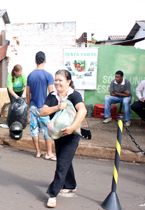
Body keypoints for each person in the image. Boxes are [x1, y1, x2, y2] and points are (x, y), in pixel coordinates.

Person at [40, 69, 87, 208]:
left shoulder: (74, 95)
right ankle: (71, 185)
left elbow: (82, 110)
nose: (57, 83)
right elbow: (43, 112)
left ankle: (53, 194)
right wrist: (58, 107)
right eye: (56, 80)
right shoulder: (52, 96)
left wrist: (73, 127)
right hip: (58, 135)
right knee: (65, 161)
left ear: (68, 82)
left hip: (72, 135)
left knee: (61, 163)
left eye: (60, 80)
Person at [26, 51, 56, 160]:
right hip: (44, 108)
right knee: (47, 131)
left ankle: (38, 152)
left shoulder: (30, 75)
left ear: (35, 61)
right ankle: (49, 153)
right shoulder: (48, 75)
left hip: (33, 107)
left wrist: (29, 107)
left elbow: (27, 94)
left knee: (34, 130)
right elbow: (52, 94)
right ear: (45, 61)